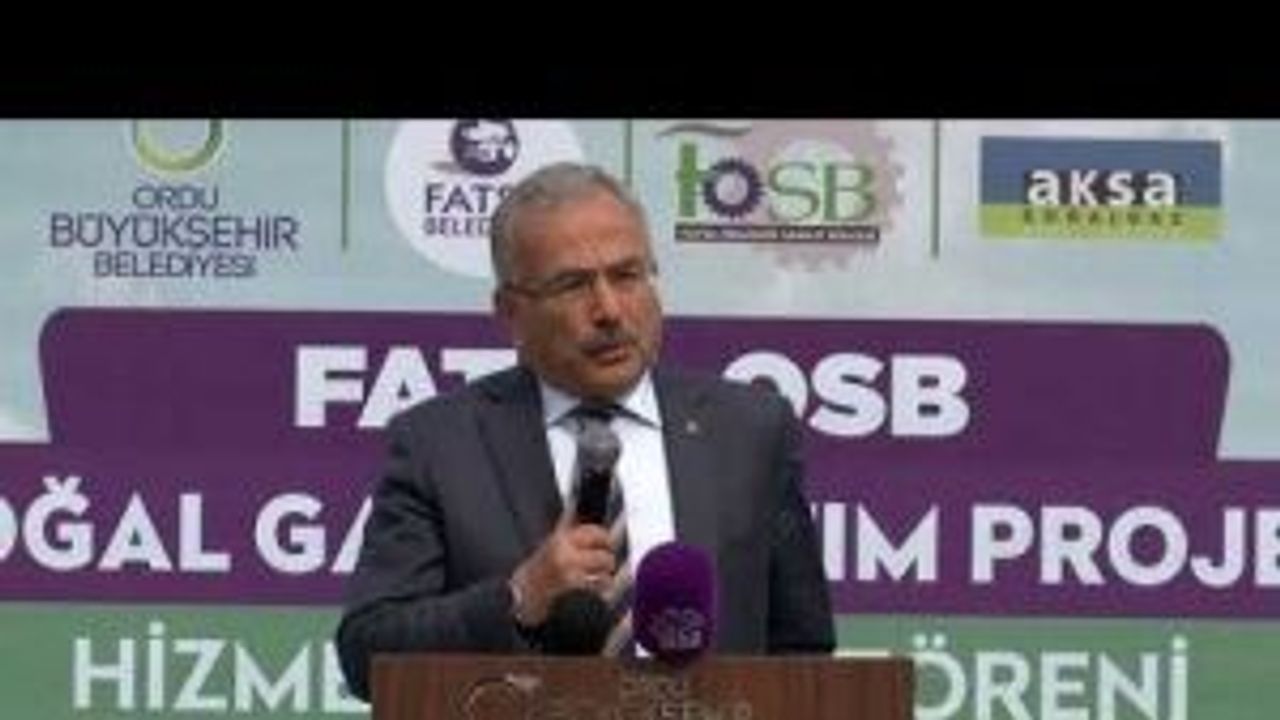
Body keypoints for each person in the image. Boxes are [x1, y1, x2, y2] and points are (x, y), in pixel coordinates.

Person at [335, 162, 834, 701]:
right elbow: (367, 654)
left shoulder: (751, 431)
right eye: (573, 285)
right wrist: (519, 597)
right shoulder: (440, 444)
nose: (609, 310)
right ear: (510, 312)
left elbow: (803, 653)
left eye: (627, 275)